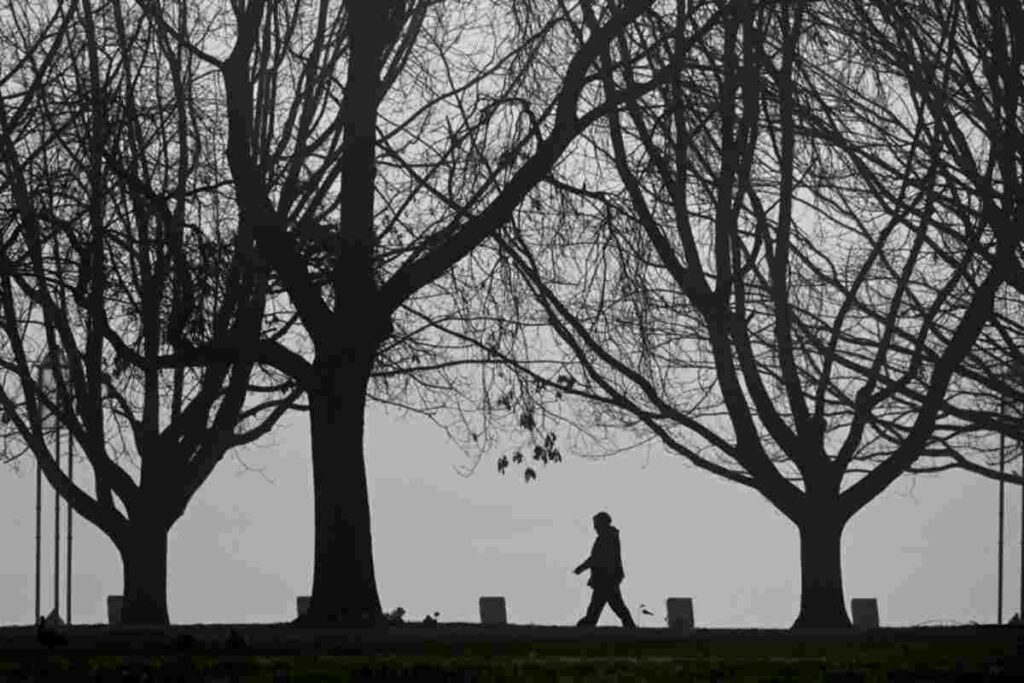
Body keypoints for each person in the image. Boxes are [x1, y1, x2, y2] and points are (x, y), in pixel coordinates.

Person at [573, 511, 636, 628]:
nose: (595, 527)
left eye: (596, 524)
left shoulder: (606, 537)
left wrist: (581, 568)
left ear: (602, 523)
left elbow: (597, 558)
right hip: (608, 578)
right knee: (609, 607)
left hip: (606, 578)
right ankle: (630, 628)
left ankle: (584, 627)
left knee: (602, 607)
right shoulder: (609, 536)